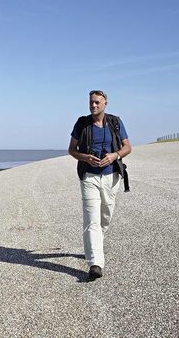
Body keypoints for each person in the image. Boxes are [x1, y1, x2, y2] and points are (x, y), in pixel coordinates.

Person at [68, 90, 131, 279]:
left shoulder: (115, 122)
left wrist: (114, 155)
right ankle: (96, 262)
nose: (93, 105)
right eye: (91, 102)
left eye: (97, 102)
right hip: (89, 177)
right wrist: (85, 157)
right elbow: (71, 150)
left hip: (111, 176)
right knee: (91, 219)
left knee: (106, 216)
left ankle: (94, 245)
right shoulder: (82, 123)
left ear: (105, 103)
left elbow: (127, 147)